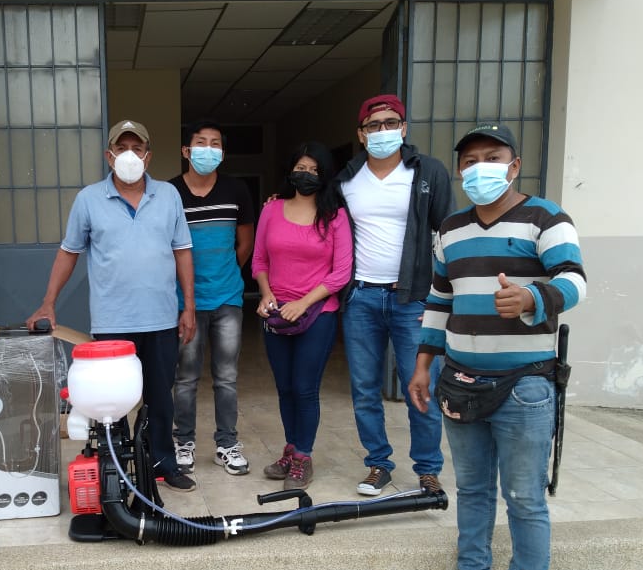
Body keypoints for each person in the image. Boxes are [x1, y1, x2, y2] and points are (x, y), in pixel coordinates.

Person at [408, 123, 587, 570]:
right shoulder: (451, 228)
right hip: (460, 381)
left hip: (525, 386)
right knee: (473, 488)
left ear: (514, 166)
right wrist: (423, 364)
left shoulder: (546, 218)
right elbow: (440, 300)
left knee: (525, 498)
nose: (479, 168)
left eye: (492, 157)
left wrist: (533, 297)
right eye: (469, 161)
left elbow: (575, 280)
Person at [26, 120, 197, 492]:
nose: (129, 155)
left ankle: (162, 463)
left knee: (159, 398)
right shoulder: (89, 199)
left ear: (148, 157)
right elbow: (69, 252)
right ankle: (116, 467)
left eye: (137, 148)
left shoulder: (168, 195)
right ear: (109, 156)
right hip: (112, 322)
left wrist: (189, 307)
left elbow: (182, 250)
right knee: (111, 402)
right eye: (122, 148)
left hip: (161, 318)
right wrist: (47, 303)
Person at [335, 94, 454, 496]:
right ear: (361, 134)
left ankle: (428, 470)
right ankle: (378, 464)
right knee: (364, 389)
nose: (382, 131)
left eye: (390, 123)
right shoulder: (346, 179)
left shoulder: (427, 172)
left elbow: (448, 235)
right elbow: (321, 220)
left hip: (413, 299)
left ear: (403, 128)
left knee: (420, 386)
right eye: (374, 125)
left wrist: (442, 300)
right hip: (361, 298)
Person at [252, 141, 353, 490]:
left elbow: (341, 273)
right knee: (284, 388)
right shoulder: (271, 209)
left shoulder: (335, 216)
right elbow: (259, 260)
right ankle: (291, 449)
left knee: (304, 388)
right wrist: (267, 294)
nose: (306, 175)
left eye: (313, 170)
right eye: (301, 168)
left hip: (318, 313)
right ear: (290, 170)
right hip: (277, 312)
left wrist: (304, 303)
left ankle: (303, 457)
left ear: (324, 175)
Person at [169, 120, 255, 476]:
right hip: (184, 301)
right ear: (186, 151)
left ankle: (227, 444)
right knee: (186, 378)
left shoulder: (236, 189)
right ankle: (183, 442)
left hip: (227, 299)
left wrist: (225, 273)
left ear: (222, 151)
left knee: (226, 377)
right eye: (201, 142)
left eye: (215, 143)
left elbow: (245, 242)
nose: (208, 149)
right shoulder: (170, 193)